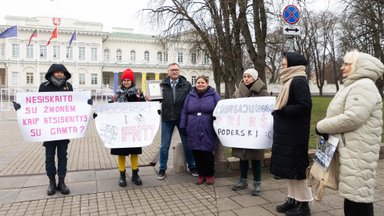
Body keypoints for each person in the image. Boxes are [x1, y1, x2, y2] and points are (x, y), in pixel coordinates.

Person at [315, 50, 384, 216]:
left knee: (359, 196)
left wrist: (322, 126)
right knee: (353, 195)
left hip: (359, 150)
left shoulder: (364, 86)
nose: (342, 67)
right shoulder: (354, 85)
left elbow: (352, 118)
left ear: (360, 66)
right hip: (352, 148)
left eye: (347, 64)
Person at [270, 52, 313, 216]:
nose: (281, 66)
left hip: (295, 134)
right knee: (290, 169)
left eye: (284, 63)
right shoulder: (290, 80)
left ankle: (304, 205)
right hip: (288, 133)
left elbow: (305, 105)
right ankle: (293, 199)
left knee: (297, 170)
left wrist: (283, 111)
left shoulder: (298, 81)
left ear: (293, 64)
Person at [231, 68, 269, 196]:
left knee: (256, 158)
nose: (246, 78)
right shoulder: (237, 93)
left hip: (255, 130)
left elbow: (267, 111)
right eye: (244, 76)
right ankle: (243, 181)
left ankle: (257, 184)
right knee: (242, 157)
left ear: (255, 78)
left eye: (249, 76)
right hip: (242, 129)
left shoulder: (263, 93)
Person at [157, 63, 197, 180]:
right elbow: (155, 101)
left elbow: (193, 100)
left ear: (179, 71)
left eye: (176, 70)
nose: (174, 72)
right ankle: (162, 168)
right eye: (172, 70)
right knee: (164, 146)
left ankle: (192, 166)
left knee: (187, 144)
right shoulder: (161, 85)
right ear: (168, 72)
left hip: (182, 118)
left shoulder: (187, 85)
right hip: (166, 118)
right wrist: (150, 98)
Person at [39, 64, 73, 196]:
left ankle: (62, 182)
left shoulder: (68, 87)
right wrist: (22, 107)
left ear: (65, 74)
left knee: (62, 156)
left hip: (63, 129)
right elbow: (36, 105)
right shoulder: (44, 87)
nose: (59, 74)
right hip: (49, 130)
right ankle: (51, 182)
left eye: (62, 72)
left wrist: (86, 104)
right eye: (57, 72)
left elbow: (74, 104)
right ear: (51, 73)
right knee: (49, 157)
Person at [179, 75, 221, 185]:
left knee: (207, 152)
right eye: (198, 83)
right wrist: (183, 125)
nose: (200, 84)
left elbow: (220, 109)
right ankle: (201, 174)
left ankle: (210, 174)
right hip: (193, 127)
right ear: (195, 84)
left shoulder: (213, 95)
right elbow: (184, 111)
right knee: (196, 151)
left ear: (207, 83)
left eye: (202, 82)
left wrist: (218, 123)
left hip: (208, 126)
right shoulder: (190, 95)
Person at [110, 68, 146, 186]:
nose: (126, 82)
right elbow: (109, 109)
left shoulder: (138, 93)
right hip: (120, 128)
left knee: (134, 152)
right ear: (122, 81)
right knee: (121, 152)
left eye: (128, 80)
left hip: (133, 127)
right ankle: (122, 175)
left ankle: (135, 174)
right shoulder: (117, 94)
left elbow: (145, 108)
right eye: (124, 80)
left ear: (132, 81)